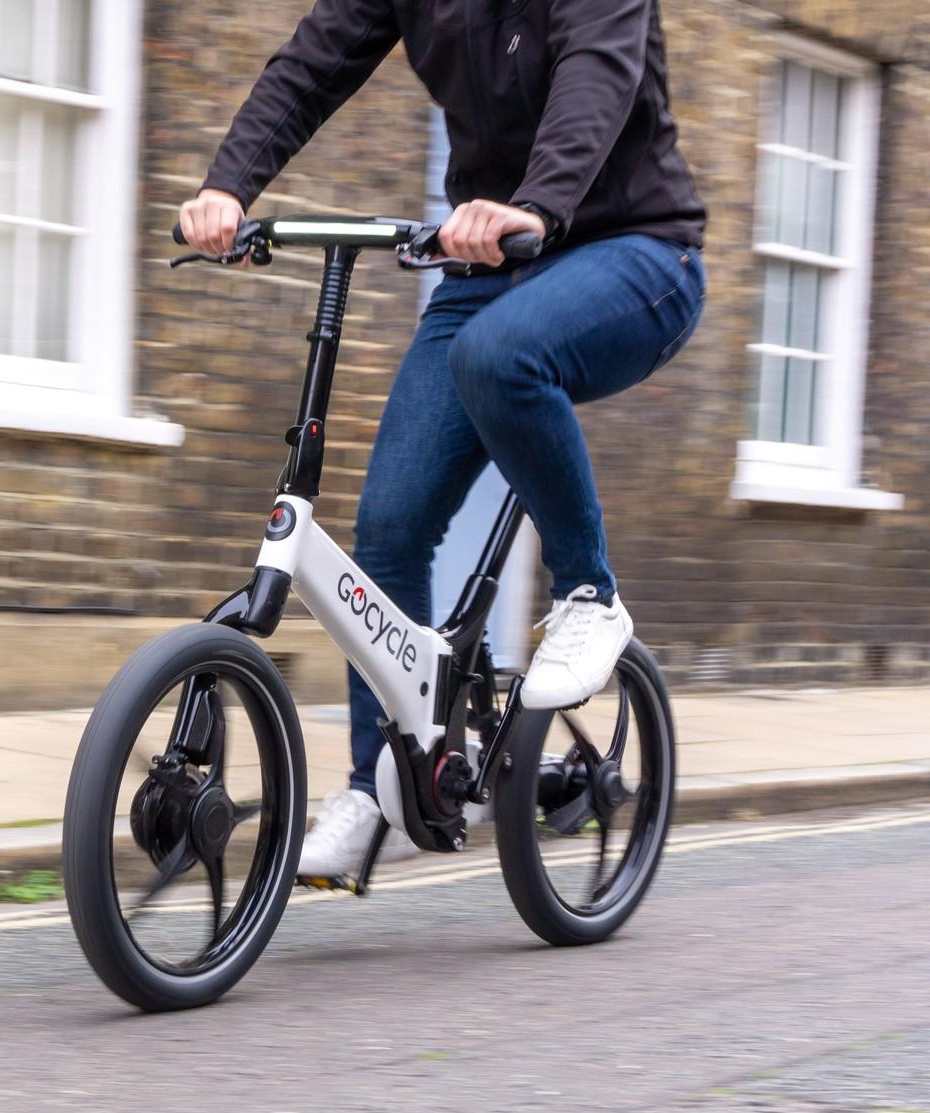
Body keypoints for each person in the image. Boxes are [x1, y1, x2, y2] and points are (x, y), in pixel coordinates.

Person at [179, 0, 709, 879]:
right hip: (489, 264)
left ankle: (589, 593)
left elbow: (595, 77)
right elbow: (312, 67)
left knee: (501, 358)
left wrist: (531, 204)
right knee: (387, 529)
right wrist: (230, 183)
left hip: (634, 251)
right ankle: (377, 781)